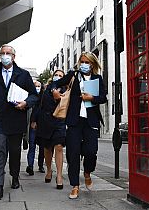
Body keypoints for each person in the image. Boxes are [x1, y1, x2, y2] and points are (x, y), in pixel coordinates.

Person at [0, 44, 38, 201]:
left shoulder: (23, 75)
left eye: (8, 53)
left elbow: (34, 95)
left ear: (13, 57)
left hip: (15, 119)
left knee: (14, 151)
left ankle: (15, 175)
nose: (5, 55)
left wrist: (26, 103)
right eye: (2, 53)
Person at [51, 52, 107, 199]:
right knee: (73, 154)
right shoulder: (73, 76)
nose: (84, 64)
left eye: (87, 62)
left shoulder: (97, 78)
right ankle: (75, 186)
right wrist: (54, 91)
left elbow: (103, 97)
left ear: (92, 64)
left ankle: (87, 172)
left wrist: (92, 98)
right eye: (82, 61)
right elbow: (55, 83)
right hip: (74, 121)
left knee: (91, 151)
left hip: (90, 122)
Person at [34, 69, 66, 190]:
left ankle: (59, 176)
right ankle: (49, 170)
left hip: (59, 121)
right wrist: (34, 120)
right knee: (47, 148)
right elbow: (39, 105)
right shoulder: (45, 89)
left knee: (58, 147)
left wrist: (59, 97)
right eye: (56, 75)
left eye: (60, 76)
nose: (58, 77)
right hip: (45, 121)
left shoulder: (66, 90)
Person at [25, 80, 45, 176]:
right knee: (32, 146)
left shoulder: (44, 97)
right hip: (32, 125)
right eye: (35, 86)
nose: (37, 88)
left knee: (42, 147)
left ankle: (41, 165)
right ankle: (30, 166)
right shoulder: (29, 98)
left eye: (39, 86)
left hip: (42, 125)